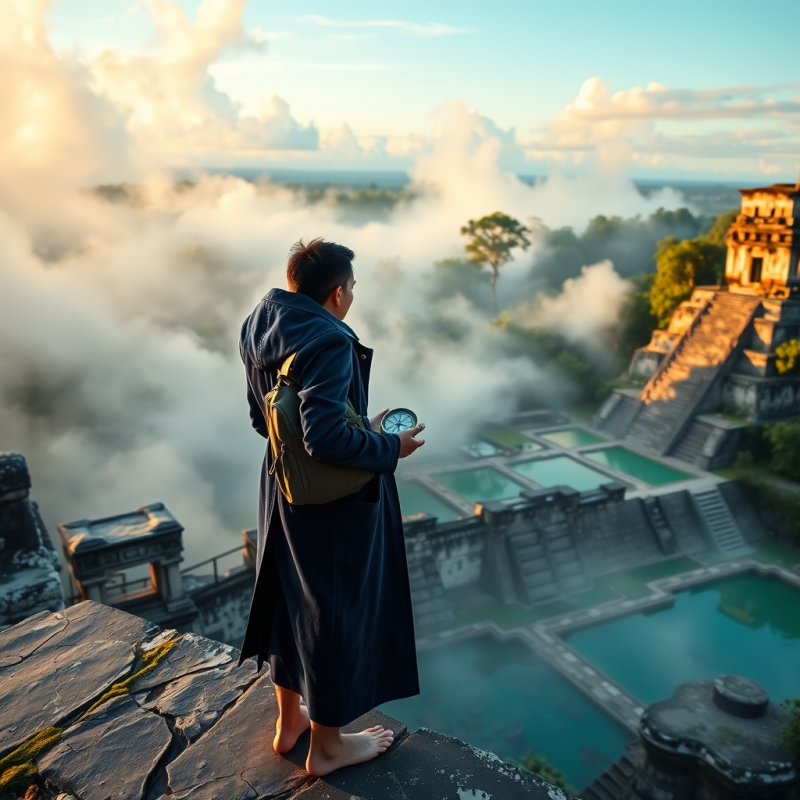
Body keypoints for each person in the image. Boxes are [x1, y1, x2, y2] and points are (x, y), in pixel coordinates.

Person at [237, 238, 424, 776]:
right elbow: (322, 440)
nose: (352, 295)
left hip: (281, 491)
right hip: (330, 507)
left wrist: (357, 423)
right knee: (332, 613)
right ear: (339, 292)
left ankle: (288, 723)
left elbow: (268, 421)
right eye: (353, 287)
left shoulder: (259, 322)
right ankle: (328, 746)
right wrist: (391, 446)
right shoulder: (329, 341)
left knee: (290, 602)